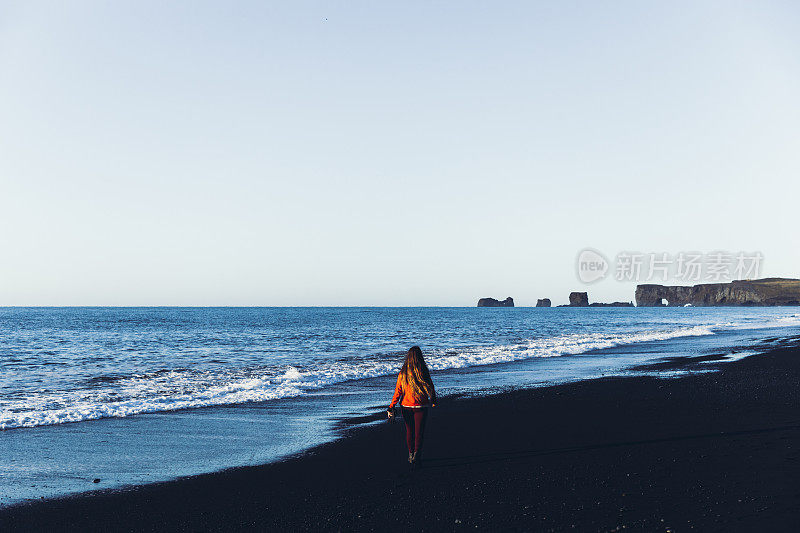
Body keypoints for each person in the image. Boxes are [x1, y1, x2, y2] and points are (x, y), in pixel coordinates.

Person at [387, 346, 436, 465]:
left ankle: (410, 454)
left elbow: (398, 391)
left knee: (410, 431)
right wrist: (433, 400)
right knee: (419, 432)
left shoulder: (403, 373)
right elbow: (430, 386)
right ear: (420, 357)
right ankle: (417, 455)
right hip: (421, 406)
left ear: (408, 357)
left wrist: (391, 406)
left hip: (406, 406)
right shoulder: (423, 370)